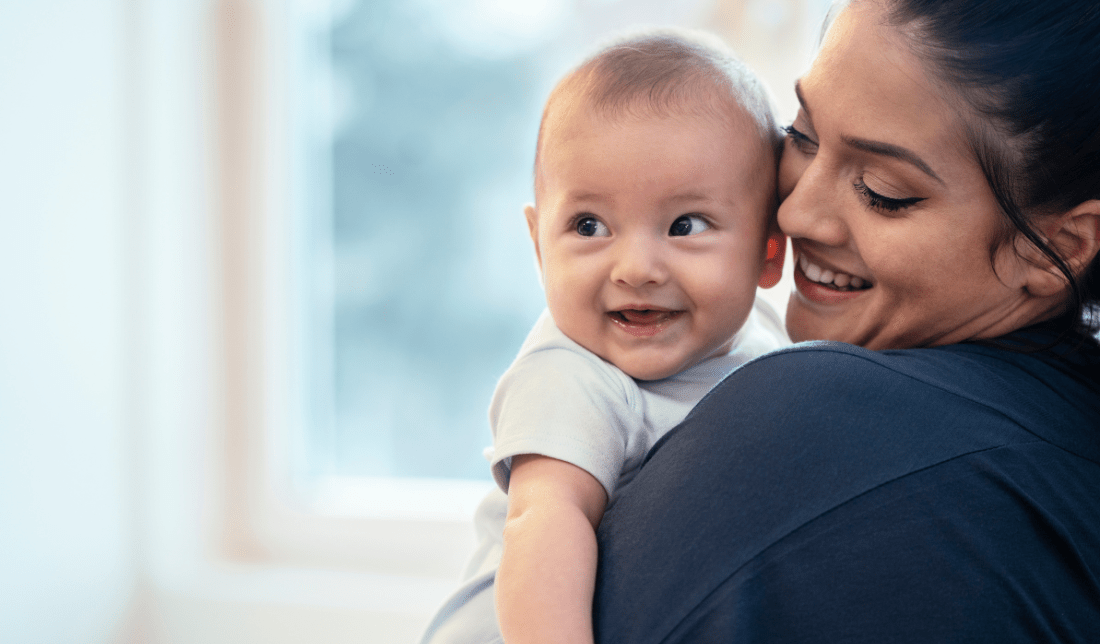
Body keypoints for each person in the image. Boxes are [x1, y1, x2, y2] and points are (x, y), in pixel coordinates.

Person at [591, 0, 1100, 641]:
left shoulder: (817, 427)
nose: (797, 213)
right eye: (801, 136)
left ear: (1066, 247)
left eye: (884, 190)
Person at [418, 30, 789, 644]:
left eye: (684, 225)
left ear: (768, 251)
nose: (636, 267)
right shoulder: (571, 375)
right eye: (590, 225)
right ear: (540, 247)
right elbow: (546, 521)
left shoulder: (767, 339)